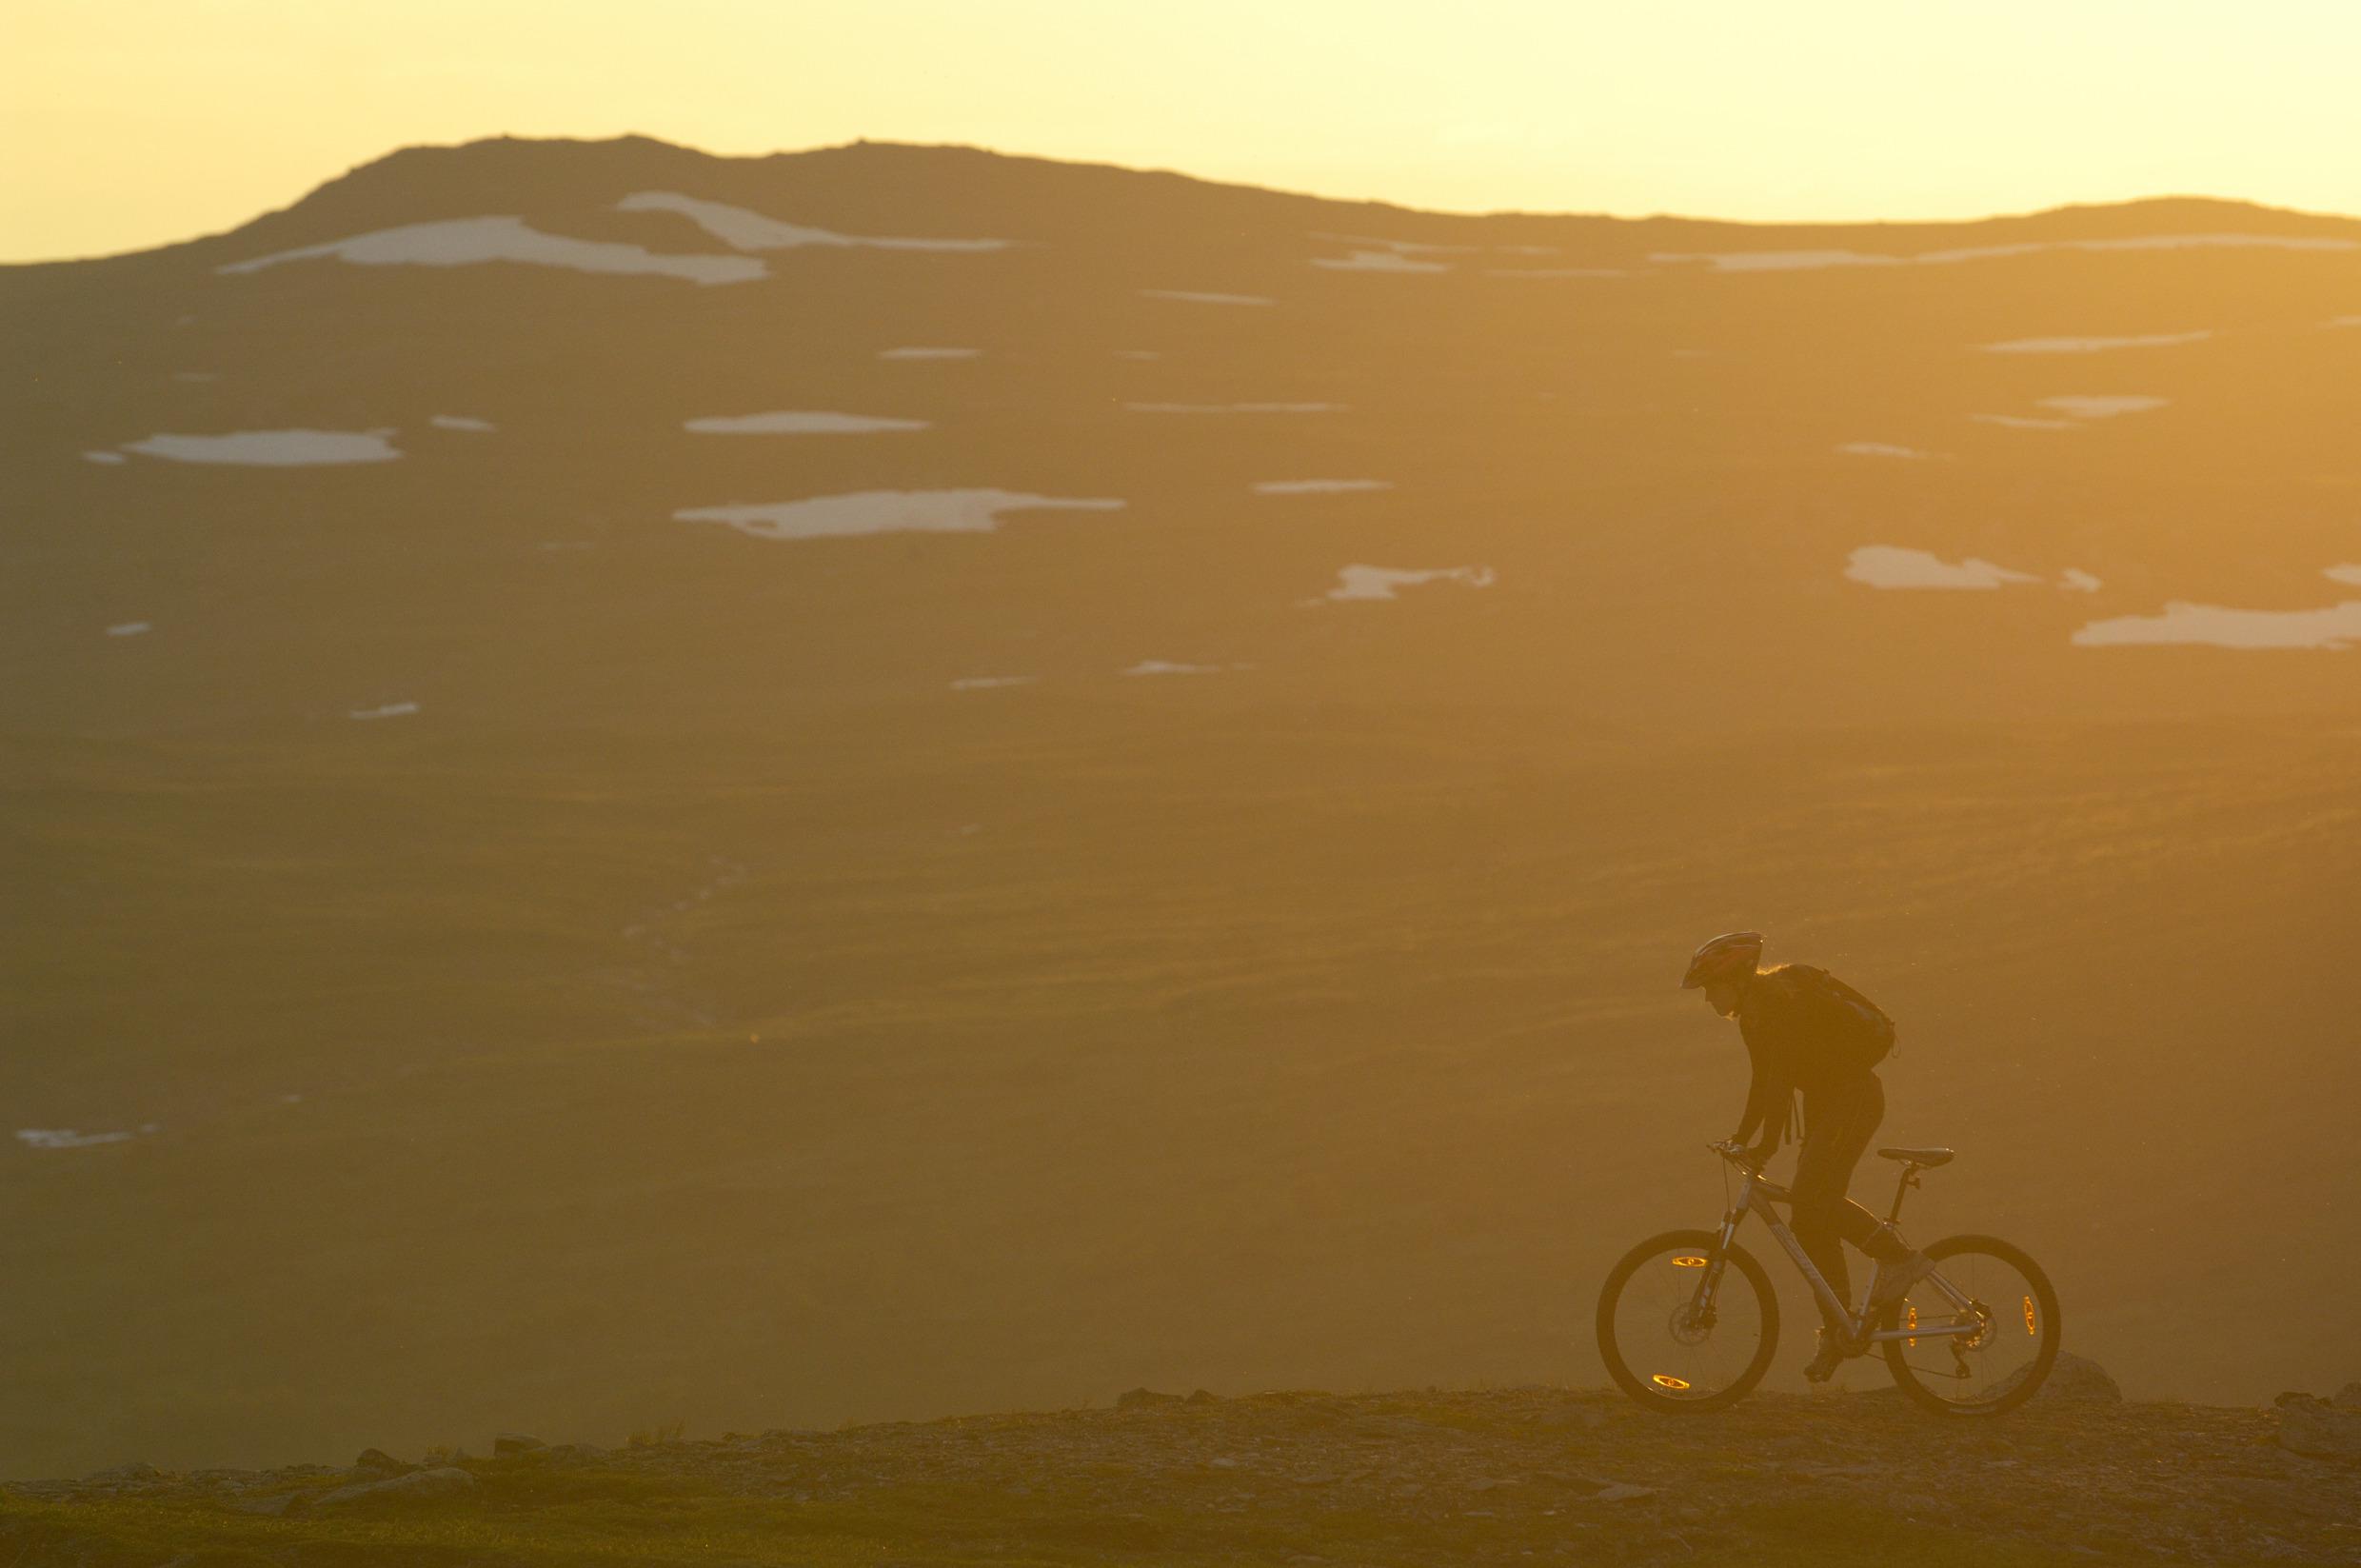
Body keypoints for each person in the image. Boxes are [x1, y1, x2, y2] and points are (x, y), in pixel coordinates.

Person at [1680, 930, 1933, 1382]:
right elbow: (1763, 1084)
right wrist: (1740, 1137)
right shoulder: (1752, 1019)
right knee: (1808, 1218)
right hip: (1829, 1102)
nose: (1707, 1000)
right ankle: (1841, 1328)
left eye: (1710, 988)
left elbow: (1780, 1082)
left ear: (1735, 979)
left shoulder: (1780, 1005)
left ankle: (1900, 1260)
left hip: (1852, 1100)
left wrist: (1766, 1146)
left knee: (1810, 1198)